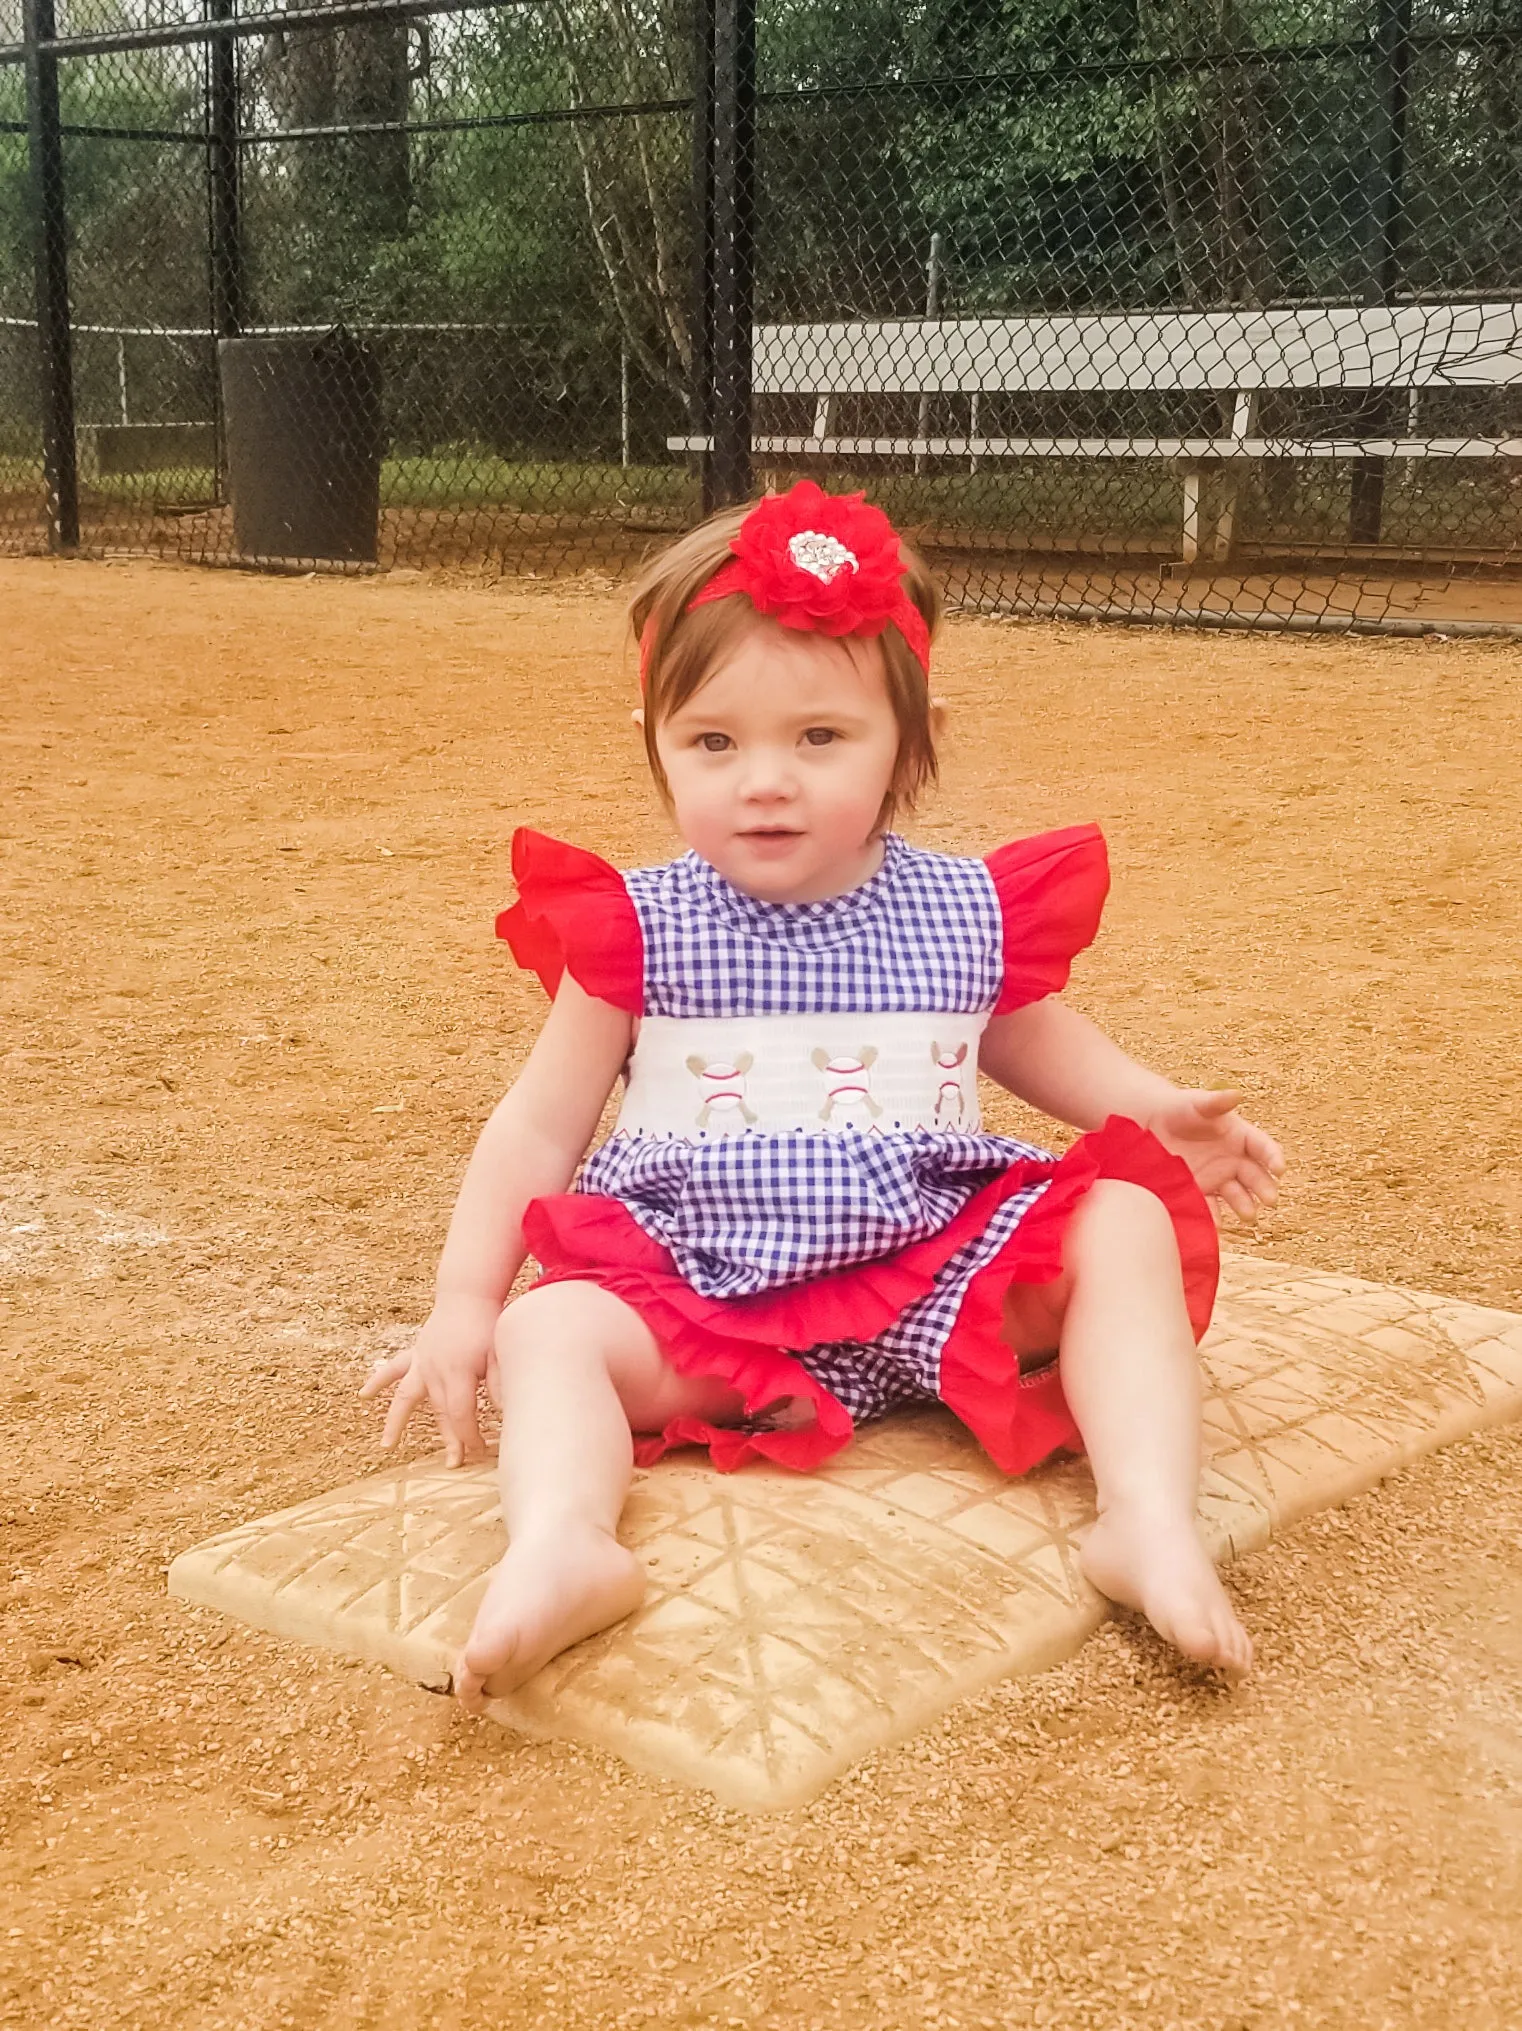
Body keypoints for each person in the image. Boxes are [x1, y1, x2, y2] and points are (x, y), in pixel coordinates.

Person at [362, 480, 1284, 1708]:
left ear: (911, 740)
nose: (764, 782)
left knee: (1118, 1218)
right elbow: (539, 1122)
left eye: (818, 738)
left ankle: (1149, 1519)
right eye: (712, 742)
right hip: (710, 1306)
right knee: (549, 1331)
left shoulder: (961, 908)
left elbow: (1025, 1037)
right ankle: (564, 1542)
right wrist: (463, 1301)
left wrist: (1150, 1105)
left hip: (943, 1279)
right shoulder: (639, 928)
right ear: (654, 738)